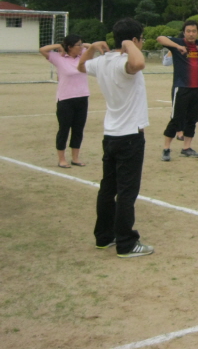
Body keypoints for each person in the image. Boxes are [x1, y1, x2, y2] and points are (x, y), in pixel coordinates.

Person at [78, 18, 153, 258]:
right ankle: (126, 243)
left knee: (108, 189)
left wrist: (91, 48)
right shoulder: (123, 63)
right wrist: (128, 44)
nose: (142, 43)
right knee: (126, 192)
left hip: (111, 135)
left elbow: (82, 66)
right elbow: (138, 63)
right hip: (129, 136)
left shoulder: (103, 61)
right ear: (134, 40)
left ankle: (104, 236)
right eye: (141, 39)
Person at [157, 20, 198, 161]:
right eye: (188, 31)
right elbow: (160, 38)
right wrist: (177, 46)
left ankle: (186, 148)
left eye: (194, 31)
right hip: (181, 87)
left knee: (192, 119)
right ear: (184, 32)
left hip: (197, 87)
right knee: (176, 119)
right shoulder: (177, 43)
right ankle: (166, 148)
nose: (191, 34)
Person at [39, 34, 94, 168]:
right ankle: (62, 159)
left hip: (82, 97)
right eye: (78, 45)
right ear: (69, 47)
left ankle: (75, 158)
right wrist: (59, 46)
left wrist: (82, 45)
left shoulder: (83, 56)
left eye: (81, 44)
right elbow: (42, 50)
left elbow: (92, 47)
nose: (81, 47)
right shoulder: (59, 58)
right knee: (64, 129)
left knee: (78, 129)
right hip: (65, 99)